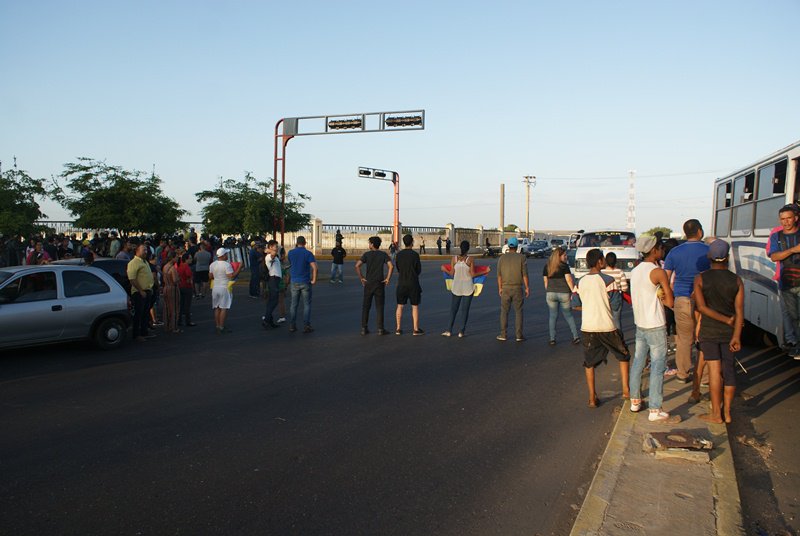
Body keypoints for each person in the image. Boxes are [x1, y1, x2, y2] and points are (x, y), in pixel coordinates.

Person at [694, 240, 744, 423]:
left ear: (709, 257)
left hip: (709, 331)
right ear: (728, 257)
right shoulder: (736, 280)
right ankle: (728, 413)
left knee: (715, 372)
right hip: (729, 333)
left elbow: (701, 307)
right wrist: (737, 335)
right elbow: (740, 312)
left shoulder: (701, 279)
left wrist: (723, 319)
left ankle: (716, 414)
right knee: (729, 370)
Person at [629, 236, 676, 422]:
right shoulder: (658, 272)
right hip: (655, 324)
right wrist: (662, 295)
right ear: (654, 250)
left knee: (638, 362)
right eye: (660, 247)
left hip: (640, 323)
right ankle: (655, 409)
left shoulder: (636, 270)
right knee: (657, 366)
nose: (662, 250)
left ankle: (635, 401)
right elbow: (670, 301)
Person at [578, 248, 631, 408]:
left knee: (589, 362)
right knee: (623, 355)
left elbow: (575, 304)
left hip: (588, 326)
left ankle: (592, 398)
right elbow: (615, 304)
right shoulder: (608, 280)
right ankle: (626, 390)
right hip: (607, 326)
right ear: (600, 261)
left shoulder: (580, 281)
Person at [664, 219, 710, 382]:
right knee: (704, 337)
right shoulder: (708, 250)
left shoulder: (675, 252)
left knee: (684, 339)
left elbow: (666, 277)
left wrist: (668, 298)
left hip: (681, 298)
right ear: (699, 231)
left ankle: (683, 373)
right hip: (705, 300)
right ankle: (704, 377)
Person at [768, 204, 800, 358]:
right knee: (793, 315)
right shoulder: (776, 236)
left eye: (789, 218)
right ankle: (794, 343)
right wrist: (793, 250)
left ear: (796, 218)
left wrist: (784, 253)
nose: (786, 222)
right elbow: (774, 256)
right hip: (786, 282)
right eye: (783, 219)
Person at [442, 240, 487, 337]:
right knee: (465, 311)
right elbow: (473, 274)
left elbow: (451, 274)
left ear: (460, 248)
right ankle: (461, 332)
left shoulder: (454, 258)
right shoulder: (470, 259)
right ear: (468, 249)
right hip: (468, 287)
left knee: (453, 309)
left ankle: (449, 330)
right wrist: (485, 271)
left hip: (456, 287)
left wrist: (444, 269)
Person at [355, 236, 393, 335]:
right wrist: (387, 278)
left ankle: (364, 328)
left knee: (366, 306)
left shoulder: (366, 255)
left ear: (372, 244)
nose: (369, 244)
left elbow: (357, 266)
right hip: (379, 283)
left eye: (369, 243)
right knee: (379, 307)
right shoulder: (383, 254)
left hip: (368, 283)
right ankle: (380, 329)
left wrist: (361, 278)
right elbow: (391, 266)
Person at [543, 247, 580, 345]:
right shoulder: (564, 266)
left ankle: (552, 339)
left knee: (552, 316)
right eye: (564, 255)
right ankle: (575, 336)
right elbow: (569, 280)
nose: (566, 257)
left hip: (550, 293)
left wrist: (549, 290)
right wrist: (573, 292)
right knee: (568, 316)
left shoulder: (547, 266)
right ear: (559, 256)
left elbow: (545, 282)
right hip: (564, 293)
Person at [496, 237, 529, 342]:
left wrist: (500, 288)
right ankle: (519, 335)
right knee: (518, 311)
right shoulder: (522, 258)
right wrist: (527, 287)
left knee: (504, 311)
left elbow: (499, 276)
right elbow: (524, 274)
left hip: (505, 288)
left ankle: (503, 334)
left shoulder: (502, 258)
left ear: (508, 246)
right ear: (516, 246)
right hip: (517, 287)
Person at [394, 234, 423, 335]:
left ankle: (398, 328)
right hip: (413, 282)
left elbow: (398, 268)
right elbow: (418, 270)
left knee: (400, 305)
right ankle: (415, 329)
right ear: (412, 242)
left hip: (401, 282)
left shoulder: (399, 255)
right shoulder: (415, 255)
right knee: (414, 306)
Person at [287, 236, 317, 333]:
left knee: (293, 305)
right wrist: (314, 280)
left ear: (297, 243)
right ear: (305, 243)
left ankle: (292, 325)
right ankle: (306, 325)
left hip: (294, 281)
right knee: (307, 304)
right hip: (305, 281)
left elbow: (292, 264)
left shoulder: (291, 253)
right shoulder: (308, 253)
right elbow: (314, 268)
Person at [209, 247, 242, 334]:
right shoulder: (227, 265)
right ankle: (221, 327)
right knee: (224, 308)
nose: (227, 255)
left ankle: (217, 325)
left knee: (217, 307)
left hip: (215, 287)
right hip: (224, 287)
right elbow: (231, 276)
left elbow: (210, 277)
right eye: (226, 254)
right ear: (223, 256)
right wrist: (239, 268)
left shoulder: (212, 264)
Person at [127, 244, 155, 342]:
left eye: (146, 250)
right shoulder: (134, 263)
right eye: (144, 250)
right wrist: (141, 290)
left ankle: (144, 332)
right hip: (139, 292)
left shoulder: (144, 262)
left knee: (145, 313)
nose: (146, 252)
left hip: (147, 291)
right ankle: (136, 334)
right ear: (137, 251)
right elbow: (132, 279)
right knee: (138, 314)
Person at [601, 252, 628, 331]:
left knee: (606, 320)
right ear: (615, 261)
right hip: (616, 297)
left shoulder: (602, 272)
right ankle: (619, 340)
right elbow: (624, 288)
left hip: (604, 298)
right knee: (616, 321)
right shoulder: (620, 272)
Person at [262, 240, 282, 329]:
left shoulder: (273, 256)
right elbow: (273, 254)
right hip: (273, 279)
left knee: (271, 301)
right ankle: (266, 320)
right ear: (270, 247)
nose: (277, 248)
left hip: (276, 279)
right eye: (275, 246)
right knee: (274, 301)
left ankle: (269, 321)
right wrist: (268, 250)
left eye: (276, 246)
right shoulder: (269, 256)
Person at [161, 250, 181, 333]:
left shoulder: (165, 266)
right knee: (175, 308)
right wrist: (179, 278)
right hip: (173, 288)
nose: (177, 259)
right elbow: (175, 280)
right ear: (172, 258)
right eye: (176, 257)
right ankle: (174, 327)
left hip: (166, 287)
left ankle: (167, 325)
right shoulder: (172, 268)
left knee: (167, 308)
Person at [176, 252, 196, 327]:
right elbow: (189, 275)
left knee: (181, 304)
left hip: (180, 286)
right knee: (187, 305)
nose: (191, 260)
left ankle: (179, 320)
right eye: (190, 258)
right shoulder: (186, 266)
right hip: (187, 287)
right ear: (186, 259)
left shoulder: (179, 266)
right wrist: (190, 279)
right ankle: (188, 321)